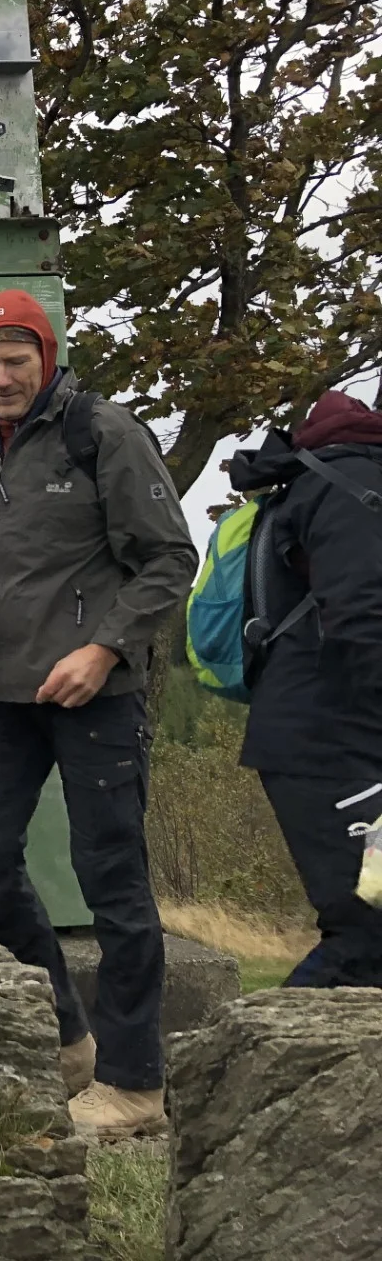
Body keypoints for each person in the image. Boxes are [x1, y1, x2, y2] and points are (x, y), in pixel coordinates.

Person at [0, 290, 197, 1139]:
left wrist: (104, 648)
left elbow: (170, 558)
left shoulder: (102, 432)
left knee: (113, 880)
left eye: (15, 360)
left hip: (94, 691)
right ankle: (69, 1034)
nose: (1, 377)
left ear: (46, 355)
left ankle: (135, 1083)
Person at [231, 389, 382, 988]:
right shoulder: (353, 487)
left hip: (339, 737)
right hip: (329, 745)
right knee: (367, 931)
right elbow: (364, 619)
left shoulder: (348, 479)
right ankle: (243, 1070)